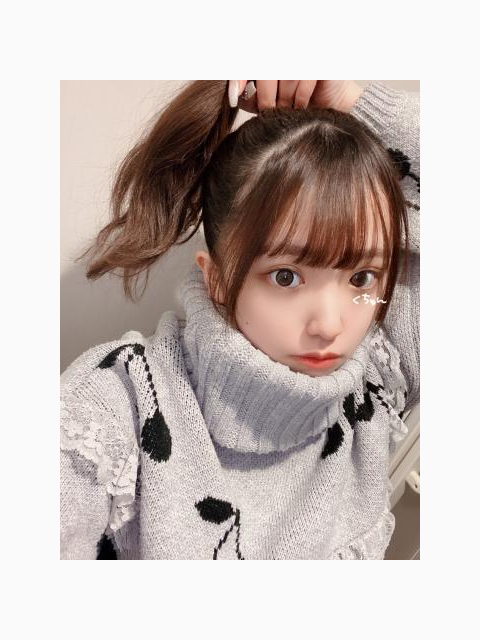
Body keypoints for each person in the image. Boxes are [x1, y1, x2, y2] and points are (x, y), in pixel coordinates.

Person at [60, 80, 419, 560]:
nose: (331, 326)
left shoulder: (376, 382)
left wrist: (352, 98)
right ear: (217, 279)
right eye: (287, 277)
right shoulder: (121, 403)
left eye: (361, 278)